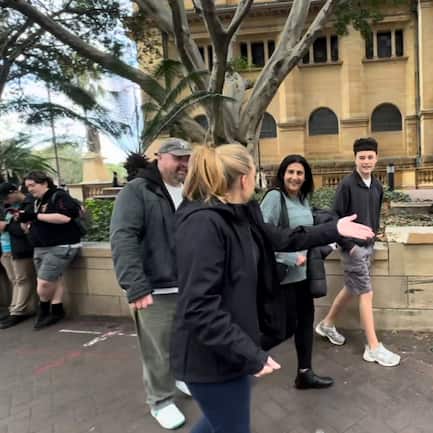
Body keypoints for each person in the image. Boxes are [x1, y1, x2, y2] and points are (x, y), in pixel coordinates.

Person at [171, 144, 374, 433]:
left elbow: (283, 238)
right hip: (209, 358)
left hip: (231, 350)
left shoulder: (243, 213)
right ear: (244, 178)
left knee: (218, 423)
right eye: (257, 174)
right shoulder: (204, 224)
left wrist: (334, 230)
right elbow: (199, 307)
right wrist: (251, 354)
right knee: (231, 426)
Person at [110, 138, 192, 430]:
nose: (184, 164)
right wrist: (135, 285)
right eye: (177, 158)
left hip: (189, 284)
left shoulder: (190, 190)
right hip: (155, 288)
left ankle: (180, 377)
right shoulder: (137, 190)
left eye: (187, 158)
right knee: (157, 349)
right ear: (160, 157)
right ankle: (160, 401)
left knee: (185, 341)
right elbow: (123, 237)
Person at [315, 138, 401, 367]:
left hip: (368, 246)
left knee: (352, 287)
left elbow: (375, 215)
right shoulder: (346, 185)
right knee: (366, 293)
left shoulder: (377, 186)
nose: (366, 161)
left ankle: (327, 324)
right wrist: (349, 246)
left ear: (376, 158)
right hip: (352, 249)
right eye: (361, 157)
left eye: (370, 157)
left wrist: (374, 235)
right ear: (355, 159)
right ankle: (373, 347)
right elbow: (335, 219)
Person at [260, 155, 334, 390]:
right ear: (282, 174)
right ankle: (238, 358)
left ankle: (305, 374)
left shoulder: (303, 198)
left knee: (305, 324)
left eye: (299, 173)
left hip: (303, 277)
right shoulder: (275, 198)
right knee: (282, 329)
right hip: (282, 277)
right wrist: (290, 258)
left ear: (306, 177)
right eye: (290, 172)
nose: (294, 177)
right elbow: (262, 236)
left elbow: (306, 234)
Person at [18, 172, 82, 330]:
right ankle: (57, 309)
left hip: (61, 245)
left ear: (45, 183)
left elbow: (65, 217)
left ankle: (44, 310)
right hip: (41, 245)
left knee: (44, 282)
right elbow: (32, 220)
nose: (29, 189)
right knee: (54, 279)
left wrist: (35, 216)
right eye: (27, 186)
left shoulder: (58, 196)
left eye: (32, 185)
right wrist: (25, 220)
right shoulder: (35, 201)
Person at [0, 183, 36, 329]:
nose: (5, 201)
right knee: (15, 280)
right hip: (7, 248)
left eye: (6, 197)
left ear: (14, 192)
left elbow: (24, 229)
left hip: (20, 248)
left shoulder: (28, 204)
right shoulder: (8, 207)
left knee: (22, 279)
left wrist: (6, 226)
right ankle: (14, 309)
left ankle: (18, 311)